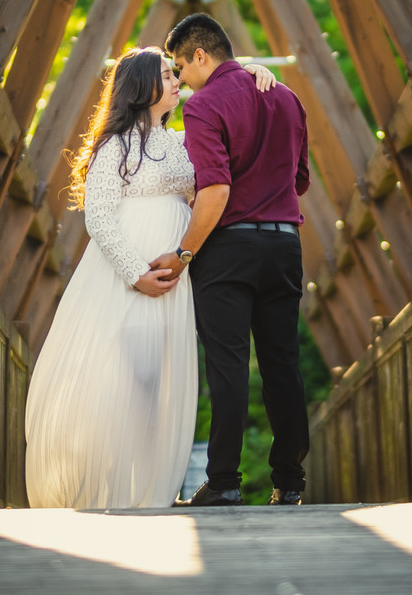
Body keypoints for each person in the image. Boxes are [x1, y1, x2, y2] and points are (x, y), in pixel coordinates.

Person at [24, 45, 277, 509]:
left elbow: (217, 174)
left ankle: (151, 492)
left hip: (173, 283)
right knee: (127, 382)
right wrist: (136, 273)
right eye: (167, 73)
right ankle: (114, 491)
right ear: (143, 85)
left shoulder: (182, 141)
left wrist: (250, 71)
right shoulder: (114, 145)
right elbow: (98, 216)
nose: (178, 79)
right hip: (128, 282)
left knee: (163, 382)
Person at [156, 13, 311, 507]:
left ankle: (223, 483)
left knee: (229, 367)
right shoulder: (287, 97)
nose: (179, 81)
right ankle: (289, 484)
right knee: (282, 364)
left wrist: (183, 254)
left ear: (200, 55)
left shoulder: (204, 107)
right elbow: (299, 179)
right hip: (285, 244)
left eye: (180, 67)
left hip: (228, 251)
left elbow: (215, 188)